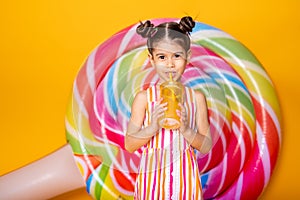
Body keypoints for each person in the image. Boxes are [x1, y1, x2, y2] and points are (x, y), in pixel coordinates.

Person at [125, 16, 212, 200]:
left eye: (177, 56)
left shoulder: (196, 98)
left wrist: (187, 130)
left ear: (188, 56)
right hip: (152, 186)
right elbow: (129, 144)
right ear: (151, 59)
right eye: (162, 57)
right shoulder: (144, 99)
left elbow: (206, 146)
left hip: (186, 184)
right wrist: (151, 128)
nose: (170, 64)